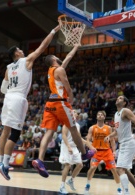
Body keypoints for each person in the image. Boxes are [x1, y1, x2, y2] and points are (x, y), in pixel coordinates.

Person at [0, 25, 61, 180]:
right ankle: (4, 164)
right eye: (19, 49)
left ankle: (0, 161)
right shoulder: (26, 60)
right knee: (16, 133)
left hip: (8, 98)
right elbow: (42, 47)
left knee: (5, 131)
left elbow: (2, 89)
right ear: (16, 53)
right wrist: (52, 31)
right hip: (18, 98)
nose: (22, 50)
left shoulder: (8, 67)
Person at [33, 43, 94, 178]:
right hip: (61, 103)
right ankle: (84, 154)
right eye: (56, 57)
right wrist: (71, 96)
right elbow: (67, 85)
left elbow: (69, 57)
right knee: (73, 129)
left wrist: (76, 46)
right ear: (54, 59)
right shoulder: (60, 70)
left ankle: (40, 160)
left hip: (50, 104)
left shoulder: (51, 70)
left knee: (49, 132)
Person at [84, 110, 121, 194]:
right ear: (96, 117)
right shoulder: (92, 128)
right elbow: (87, 140)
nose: (100, 116)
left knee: (114, 170)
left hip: (107, 151)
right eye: (98, 114)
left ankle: (119, 189)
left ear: (104, 117)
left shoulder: (108, 128)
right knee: (92, 168)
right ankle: (87, 185)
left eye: (101, 115)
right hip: (96, 151)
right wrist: (91, 147)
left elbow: (112, 141)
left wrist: (114, 151)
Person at [58, 111, 95, 194]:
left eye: (76, 113)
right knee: (67, 165)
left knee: (80, 164)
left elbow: (79, 138)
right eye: (73, 112)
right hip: (66, 146)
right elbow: (64, 135)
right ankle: (62, 186)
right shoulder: (67, 123)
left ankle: (71, 180)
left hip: (74, 147)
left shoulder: (77, 125)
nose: (75, 113)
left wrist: (88, 144)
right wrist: (68, 146)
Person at [104, 96, 135, 194]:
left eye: (121, 98)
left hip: (128, 142)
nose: (118, 99)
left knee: (119, 169)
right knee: (124, 170)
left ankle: (126, 192)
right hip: (122, 144)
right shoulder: (116, 115)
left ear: (125, 103)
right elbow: (116, 131)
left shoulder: (125, 111)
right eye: (117, 98)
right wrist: (109, 136)